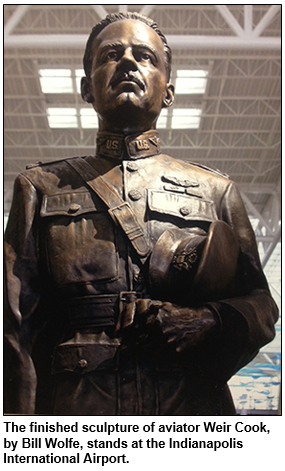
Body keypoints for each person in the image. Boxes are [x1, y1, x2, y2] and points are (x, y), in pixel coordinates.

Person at [4, 12, 278, 415]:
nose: (128, 62)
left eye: (145, 56)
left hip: (189, 416)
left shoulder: (217, 190)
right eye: (111, 55)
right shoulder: (39, 187)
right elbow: (14, 329)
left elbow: (262, 306)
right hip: (80, 419)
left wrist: (209, 321)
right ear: (86, 89)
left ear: (168, 90)